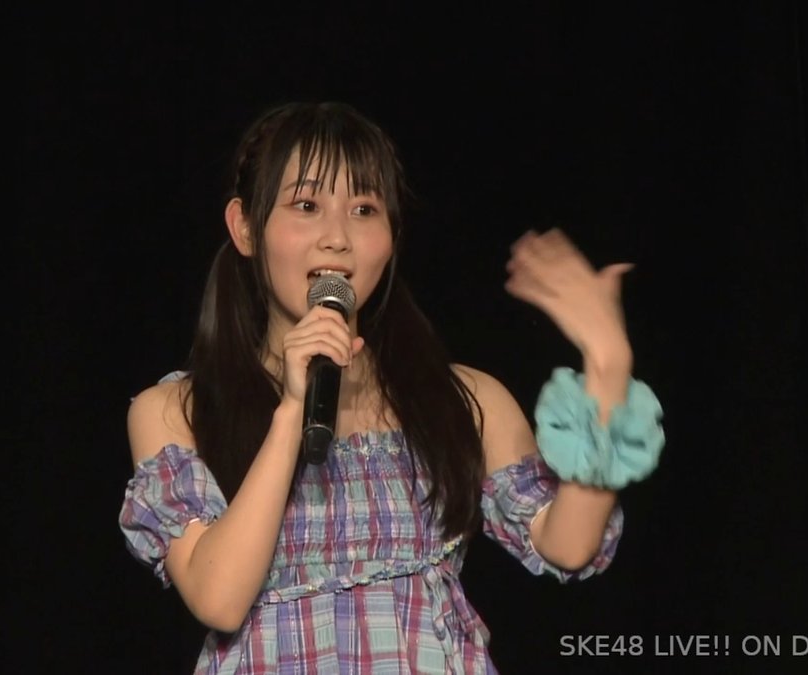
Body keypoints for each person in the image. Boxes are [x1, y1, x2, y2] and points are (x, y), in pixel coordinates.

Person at [119, 101, 665, 674]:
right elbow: (219, 599)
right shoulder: (178, 410)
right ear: (245, 227)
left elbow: (568, 544)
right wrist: (292, 409)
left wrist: (608, 368)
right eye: (306, 206)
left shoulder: (461, 400)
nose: (337, 238)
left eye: (364, 209)